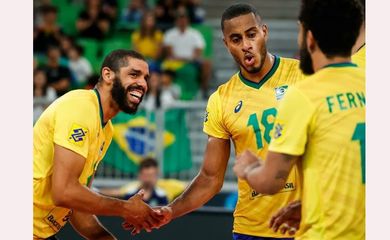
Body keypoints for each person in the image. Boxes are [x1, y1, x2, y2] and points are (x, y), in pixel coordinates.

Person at [132, 3, 306, 239]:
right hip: (251, 229)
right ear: (226, 44)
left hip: (307, 225)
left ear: (264, 32)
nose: (246, 45)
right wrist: (172, 210)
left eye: (251, 35)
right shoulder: (221, 99)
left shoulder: (303, 75)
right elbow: (210, 178)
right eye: (236, 39)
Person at [233, 0, 365, 239]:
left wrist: (249, 167)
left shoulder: (303, 93)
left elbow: (271, 181)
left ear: (310, 38)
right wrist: (310, 203)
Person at [33, 49, 164, 239]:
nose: (143, 84)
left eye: (146, 78)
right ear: (107, 74)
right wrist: (126, 208)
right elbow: (64, 192)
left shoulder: (106, 128)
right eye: (134, 74)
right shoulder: (80, 107)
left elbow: (77, 202)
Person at [162, 7, 211, 98]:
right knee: (165, 65)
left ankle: (203, 89)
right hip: (174, 62)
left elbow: (198, 51)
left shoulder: (195, 33)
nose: (182, 21)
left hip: (191, 60)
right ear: (176, 21)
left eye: (184, 18)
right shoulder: (170, 34)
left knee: (207, 63)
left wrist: (191, 58)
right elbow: (170, 54)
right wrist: (184, 58)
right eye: (180, 18)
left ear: (187, 20)